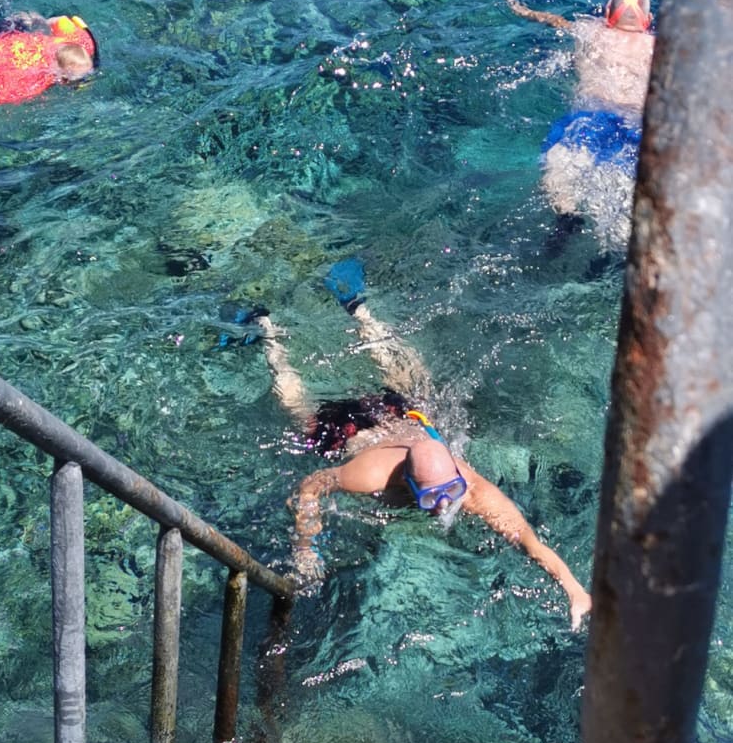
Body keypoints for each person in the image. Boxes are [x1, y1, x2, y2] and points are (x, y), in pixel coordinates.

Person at [231, 258, 592, 631]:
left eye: (449, 492)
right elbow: (310, 486)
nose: (443, 505)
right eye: (431, 497)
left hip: (405, 417)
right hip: (350, 432)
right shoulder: (370, 476)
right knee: (296, 405)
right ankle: (267, 330)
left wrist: (574, 589)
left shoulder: (470, 489)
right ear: (408, 483)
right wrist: (305, 549)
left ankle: (359, 309)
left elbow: (526, 540)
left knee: (412, 378)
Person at [503, 0, 655, 249]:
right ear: (647, 22)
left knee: (558, 171)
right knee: (626, 186)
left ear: (607, 14)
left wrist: (520, 8)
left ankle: (567, 217)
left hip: (590, 116)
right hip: (637, 123)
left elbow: (551, 20)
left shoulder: (588, 30)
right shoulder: (659, 46)